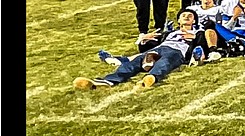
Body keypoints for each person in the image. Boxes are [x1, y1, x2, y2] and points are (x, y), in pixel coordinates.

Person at [75, 8, 206, 91]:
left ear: (194, 20)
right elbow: (144, 47)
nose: (187, 16)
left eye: (190, 15)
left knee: (166, 62)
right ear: (178, 20)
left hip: (177, 52)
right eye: (184, 15)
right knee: (134, 62)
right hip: (160, 48)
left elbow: (202, 46)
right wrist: (146, 39)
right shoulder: (169, 33)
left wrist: (194, 37)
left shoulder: (198, 31)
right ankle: (107, 81)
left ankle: (151, 78)